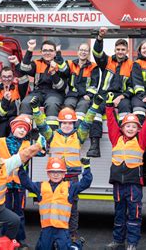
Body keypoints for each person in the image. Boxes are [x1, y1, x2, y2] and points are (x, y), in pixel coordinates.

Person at [31, 94, 103, 242]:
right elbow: (42, 125)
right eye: (64, 123)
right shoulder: (52, 135)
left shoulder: (79, 135)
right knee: (55, 206)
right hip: (55, 178)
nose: (67, 125)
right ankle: (55, 230)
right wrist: (35, 110)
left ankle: (72, 233)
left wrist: (94, 106)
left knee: (72, 208)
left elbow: (87, 123)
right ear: (59, 123)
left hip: (72, 179)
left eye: (70, 123)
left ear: (74, 124)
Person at [104, 92, 146, 250]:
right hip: (118, 185)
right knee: (119, 215)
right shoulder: (116, 138)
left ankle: (132, 243)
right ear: (122, 128)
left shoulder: (141, 141)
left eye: (134, 126)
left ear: (138, 129)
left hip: (133, 184)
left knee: (134, 215)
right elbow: (111, 122)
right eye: (128, 126)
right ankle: (118, 240)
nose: (130, 128)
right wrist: (109, 107)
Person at [18, 157, 92, 250]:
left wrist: (87, 167)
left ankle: (77, 245)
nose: (56, 174)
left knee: (65, 248)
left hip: (62, 229)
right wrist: (22, 167)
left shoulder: (69, 187)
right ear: (48, 173)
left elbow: (86, 183)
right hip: (47, 229)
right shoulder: (41, 186)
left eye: (59, 172)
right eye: (52, 172)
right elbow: (26, 182)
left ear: (64, 173)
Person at [0, 114, 45, 249]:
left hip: (19, 185)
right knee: (4, 212)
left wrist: (40, 140)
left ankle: (20, 240)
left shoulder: (28, 144)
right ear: (13, 128)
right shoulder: (1, 142)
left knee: (19, 214)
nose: (22, 130)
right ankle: (5, 239)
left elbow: (42, 152)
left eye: (25, 129)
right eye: (19, 128)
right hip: (4, 185)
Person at [91, 28, 134, 159]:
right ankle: (95, 145)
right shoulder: (107, 61)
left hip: (122, 96)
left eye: (123, 49)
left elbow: (132, 87)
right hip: (105, 94)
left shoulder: (132, 65)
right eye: (118, 49)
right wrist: (100, 38)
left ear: (127, 51)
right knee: (95, 110)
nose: (120, 52)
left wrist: (121, 97)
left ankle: (125, 143)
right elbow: (97, 53)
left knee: (125, 110)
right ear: (115, 50)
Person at [58, 42, 101, 157]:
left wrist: (89, 95)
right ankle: (62, 139)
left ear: (88, 53)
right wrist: (58, 55)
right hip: (72, 95)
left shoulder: (93, 67)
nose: (83, 52)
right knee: (67, 110)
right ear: (77, 51)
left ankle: (75, 138)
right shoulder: (71, 64)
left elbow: (94, 83)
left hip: (85, 96)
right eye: (81, 50)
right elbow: (63, 71)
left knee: (81, 112)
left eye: (86, 50)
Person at [18, 39, 66, 130]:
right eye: (45, 50)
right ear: (41, 52)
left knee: (52, 104)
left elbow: (61, 87)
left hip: (55, 93)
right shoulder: (37, 63)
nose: (47, 53)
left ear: (55, 53)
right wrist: (30, 49)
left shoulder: (61, 65)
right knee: (25, 103)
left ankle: (50, 138)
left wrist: (53, 74)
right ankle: (23, 135)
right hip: (38, 92)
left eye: (50, 50)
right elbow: (23, 68)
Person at [0, 57, 29, 139]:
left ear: (13, 77)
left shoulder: (18, 89)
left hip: (14, 120)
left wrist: (17, 63)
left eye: (9, 76)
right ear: (0, 78)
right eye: (4, 77)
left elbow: (24, 80)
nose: (6, 79)